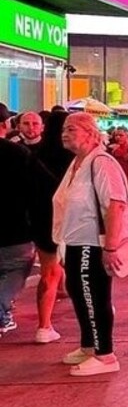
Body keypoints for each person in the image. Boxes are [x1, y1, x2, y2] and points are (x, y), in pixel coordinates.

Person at [50, 113, 128, 376]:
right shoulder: (78, 163)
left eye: (72, 129)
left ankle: (105, 354)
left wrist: (110, 247)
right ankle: (89, 345)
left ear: (90, 133)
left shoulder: (101, 162)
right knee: (78, 292)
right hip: (76, 241)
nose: (65, 134)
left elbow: (116, 204)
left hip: (94, 243)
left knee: (94, 296)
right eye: (64, 129)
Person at [0, 136, 56, 337]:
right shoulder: (18, 154)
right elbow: (45, 189)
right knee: (15, 271)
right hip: (16, 231)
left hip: (18, 231)